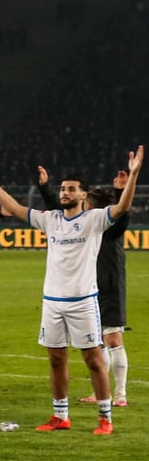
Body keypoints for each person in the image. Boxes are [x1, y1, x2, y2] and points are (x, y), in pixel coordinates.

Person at [0, 147, 143, 435]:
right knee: (56, 359)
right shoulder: (50, 219)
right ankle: (60, 415)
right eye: (63, 188)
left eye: (71, 189)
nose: (64, 193)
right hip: (52, 302)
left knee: (94, 360)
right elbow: (13, 208)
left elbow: (123, 208)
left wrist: (134, 174)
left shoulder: (94, 220)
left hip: (84, 302)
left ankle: (105, 418)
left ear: (83, 196)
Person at [37, 169, 131, 406]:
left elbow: (122, 215)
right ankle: (100, 392)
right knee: (96, 343)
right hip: (85, 289)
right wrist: (45, 186)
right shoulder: (79, 223)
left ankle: (120, 394)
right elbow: (56, 209)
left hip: (108, 285)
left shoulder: (102, 223)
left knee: (112, 338)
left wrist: (121, 190)